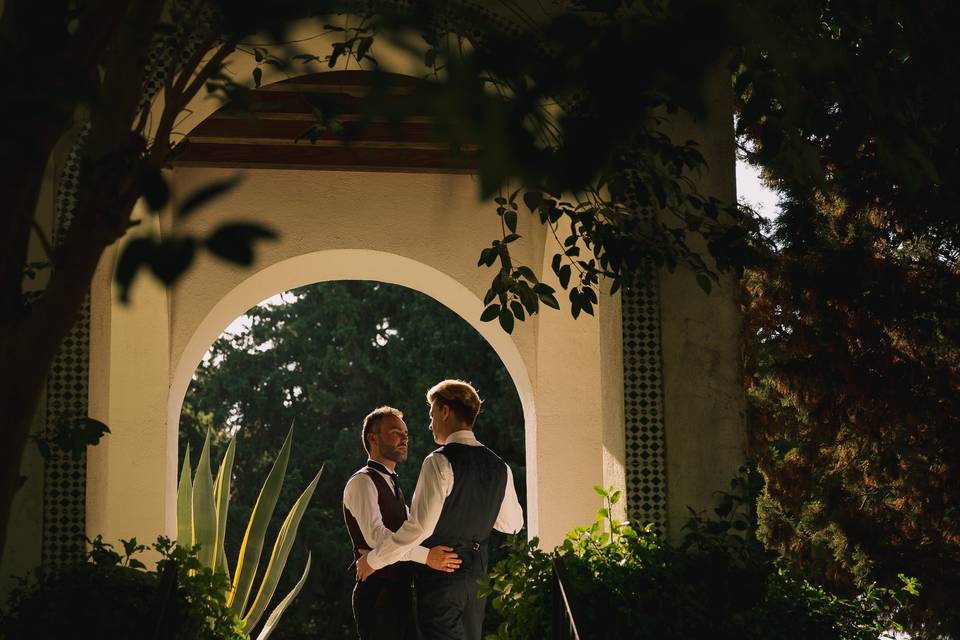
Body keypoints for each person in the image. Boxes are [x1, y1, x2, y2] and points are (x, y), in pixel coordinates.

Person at [357, 381, 524, 640]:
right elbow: (512, 524)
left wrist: (374, 560)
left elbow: (420, 527)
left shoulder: (439, 461)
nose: (430, 422)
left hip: (441, 581)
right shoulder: (500, 466)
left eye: (432, 414)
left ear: (445, 411)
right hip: (477, 581)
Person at [343, 406, 463, 640]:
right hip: (378, 595)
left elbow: (412, 535)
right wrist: (427, 557)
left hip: (401, 594)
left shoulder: (393, 486)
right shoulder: (362, 482)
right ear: (373, 438)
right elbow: (376, 538)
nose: (404, 439)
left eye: (405, 434)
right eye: (395, 432)